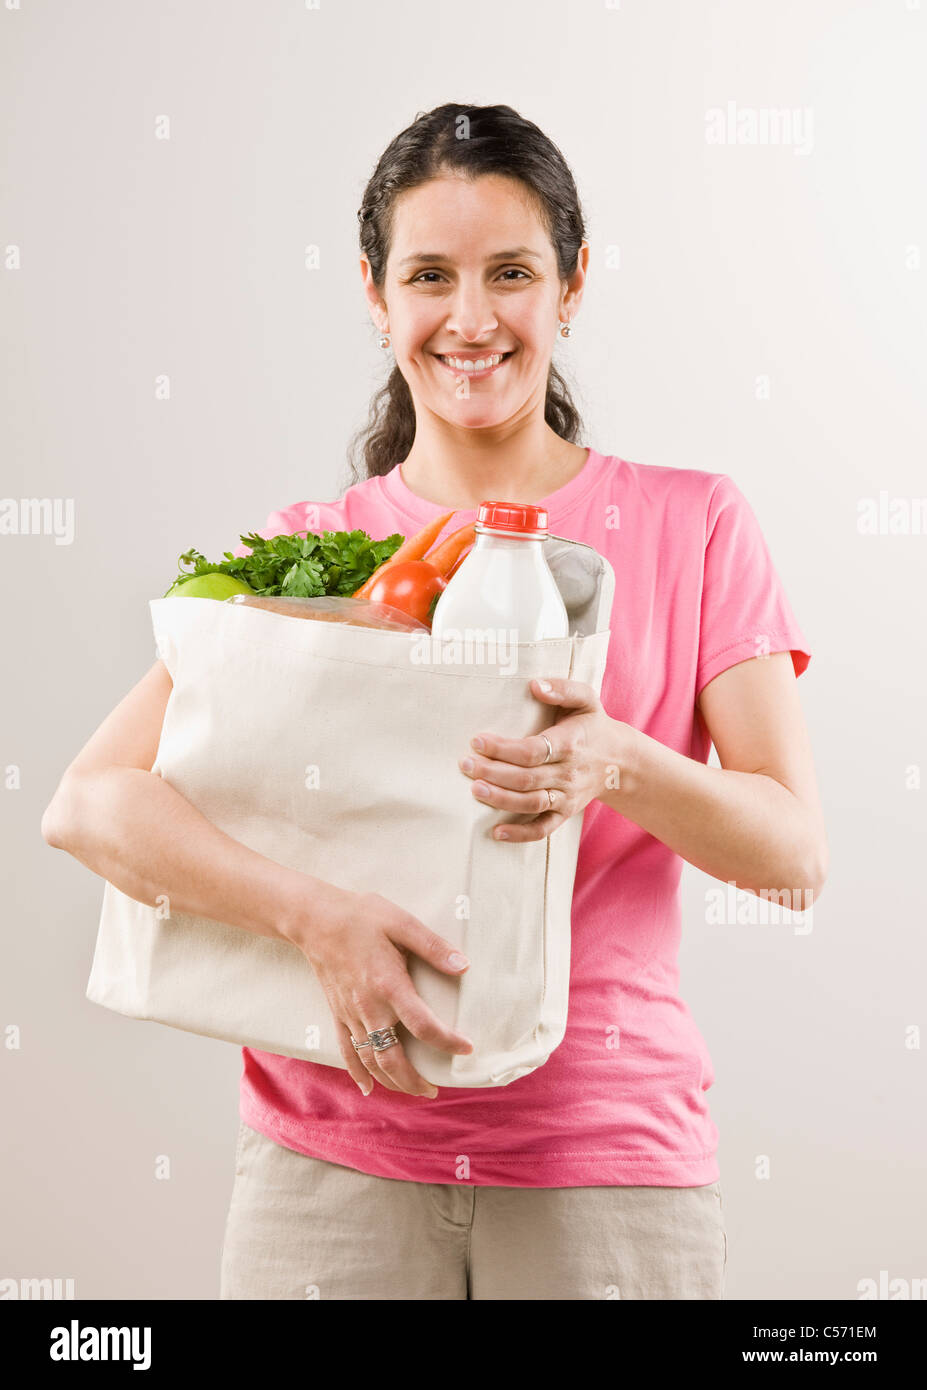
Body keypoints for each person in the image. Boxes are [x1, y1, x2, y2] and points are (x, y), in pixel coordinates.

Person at [42, 103, 827, 1301]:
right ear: (375, 293)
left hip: (605, 1167)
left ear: (571, 285)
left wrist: (616, 759)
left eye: (512, 272)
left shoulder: (693, 524)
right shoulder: (315, 554)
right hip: (330, 1161)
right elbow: (91, 804)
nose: (472, 319)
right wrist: (314, 918)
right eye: (429, 276)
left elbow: (793, 854)